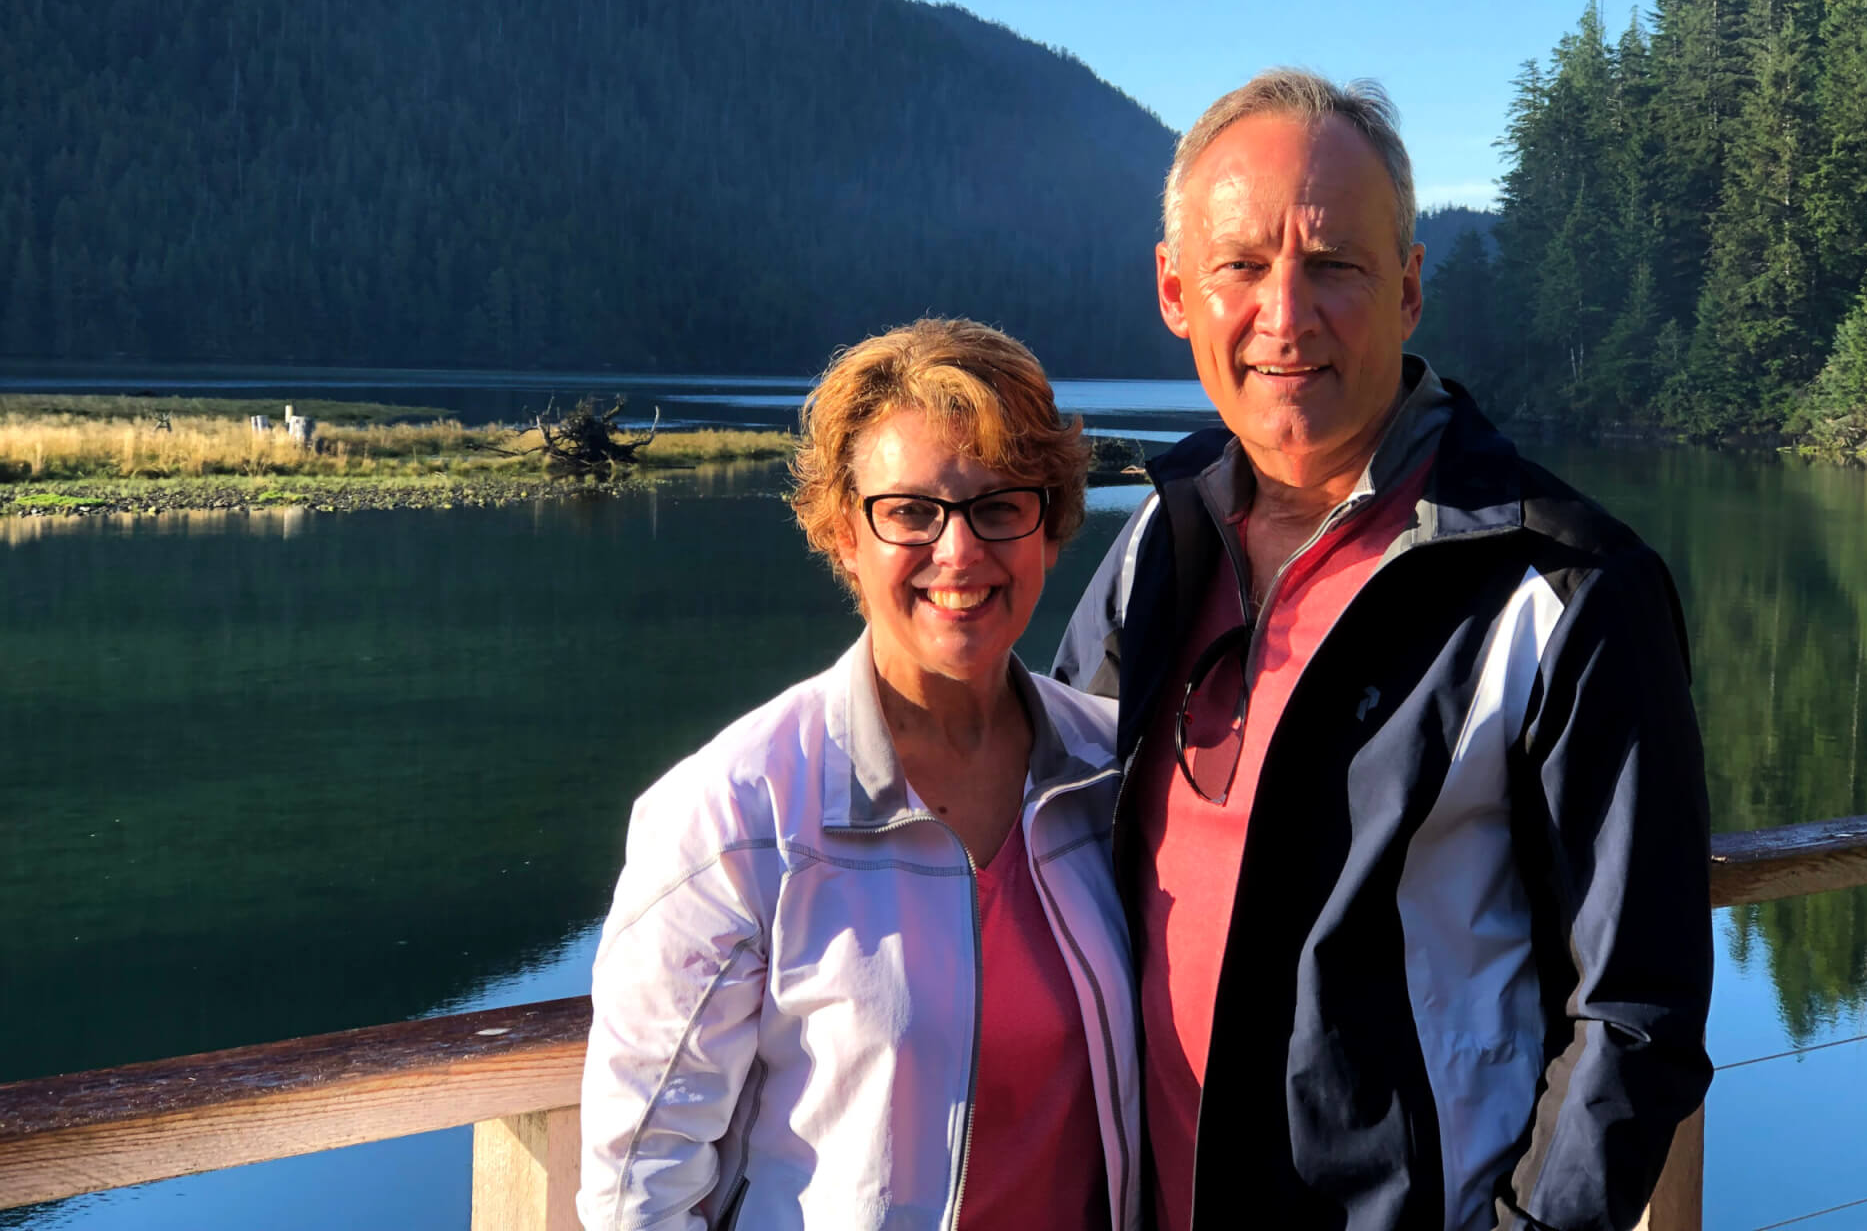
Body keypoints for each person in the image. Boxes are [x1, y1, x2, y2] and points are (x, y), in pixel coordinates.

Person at [1054, 70, 1713, 1231]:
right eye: (1241, 267)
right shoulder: (1164, 538)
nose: (1284, 315)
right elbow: (1047, 826)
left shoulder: (1565, 590)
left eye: (1334, 265)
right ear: (1174, 290)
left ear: (1407, 290)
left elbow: (1635, 1014)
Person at [581, 319, 1138, 1231]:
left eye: (1000, 505)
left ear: (1053, 522)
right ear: (844, 535)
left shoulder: (1112, 774)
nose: (958, 552)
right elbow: (637, 1192)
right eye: (911, 512)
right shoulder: (734, 816)